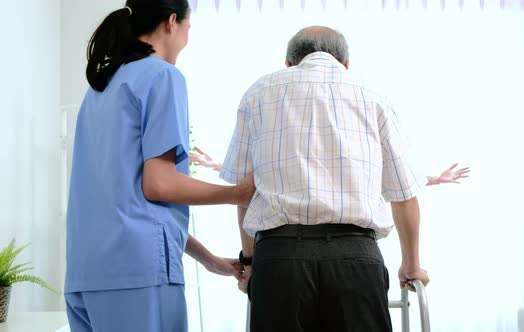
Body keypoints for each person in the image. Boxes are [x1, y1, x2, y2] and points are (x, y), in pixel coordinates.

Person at [220, 25, 431, 332]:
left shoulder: (259, 93)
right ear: (345, 64)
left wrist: (250, 261)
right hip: (355, 257)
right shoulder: (373, 96)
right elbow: (403, 194)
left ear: (289, 64)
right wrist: (411, 263)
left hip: (279, 258)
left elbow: (244, 192)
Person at [64, 2, 253, 331]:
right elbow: (159, 184)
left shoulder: (101, 88)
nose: (186, 39)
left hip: (86, 275)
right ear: (171, 23)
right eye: (188, 29)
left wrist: (208, 260)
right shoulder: (163, 76)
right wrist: (241, 192)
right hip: (137, 275)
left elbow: (132, 199)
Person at [191, 146, 470, 185]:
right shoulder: (293, 154)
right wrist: (216, 164)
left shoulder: (355, 157)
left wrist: (436, 179)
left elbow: (395, 180)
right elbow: (256, 172)